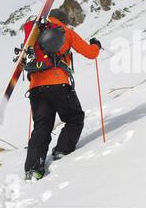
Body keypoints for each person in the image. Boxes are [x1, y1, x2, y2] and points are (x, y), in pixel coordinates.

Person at [23, 9, 101, 180]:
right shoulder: (65, 32)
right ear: (63, 21)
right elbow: (90, 53)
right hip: (59, 84)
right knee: (75, 118)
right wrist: (96, 44)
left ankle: (33, 168)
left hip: (36, 88)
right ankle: (62, 151)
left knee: (42, 126)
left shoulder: (35, 32)